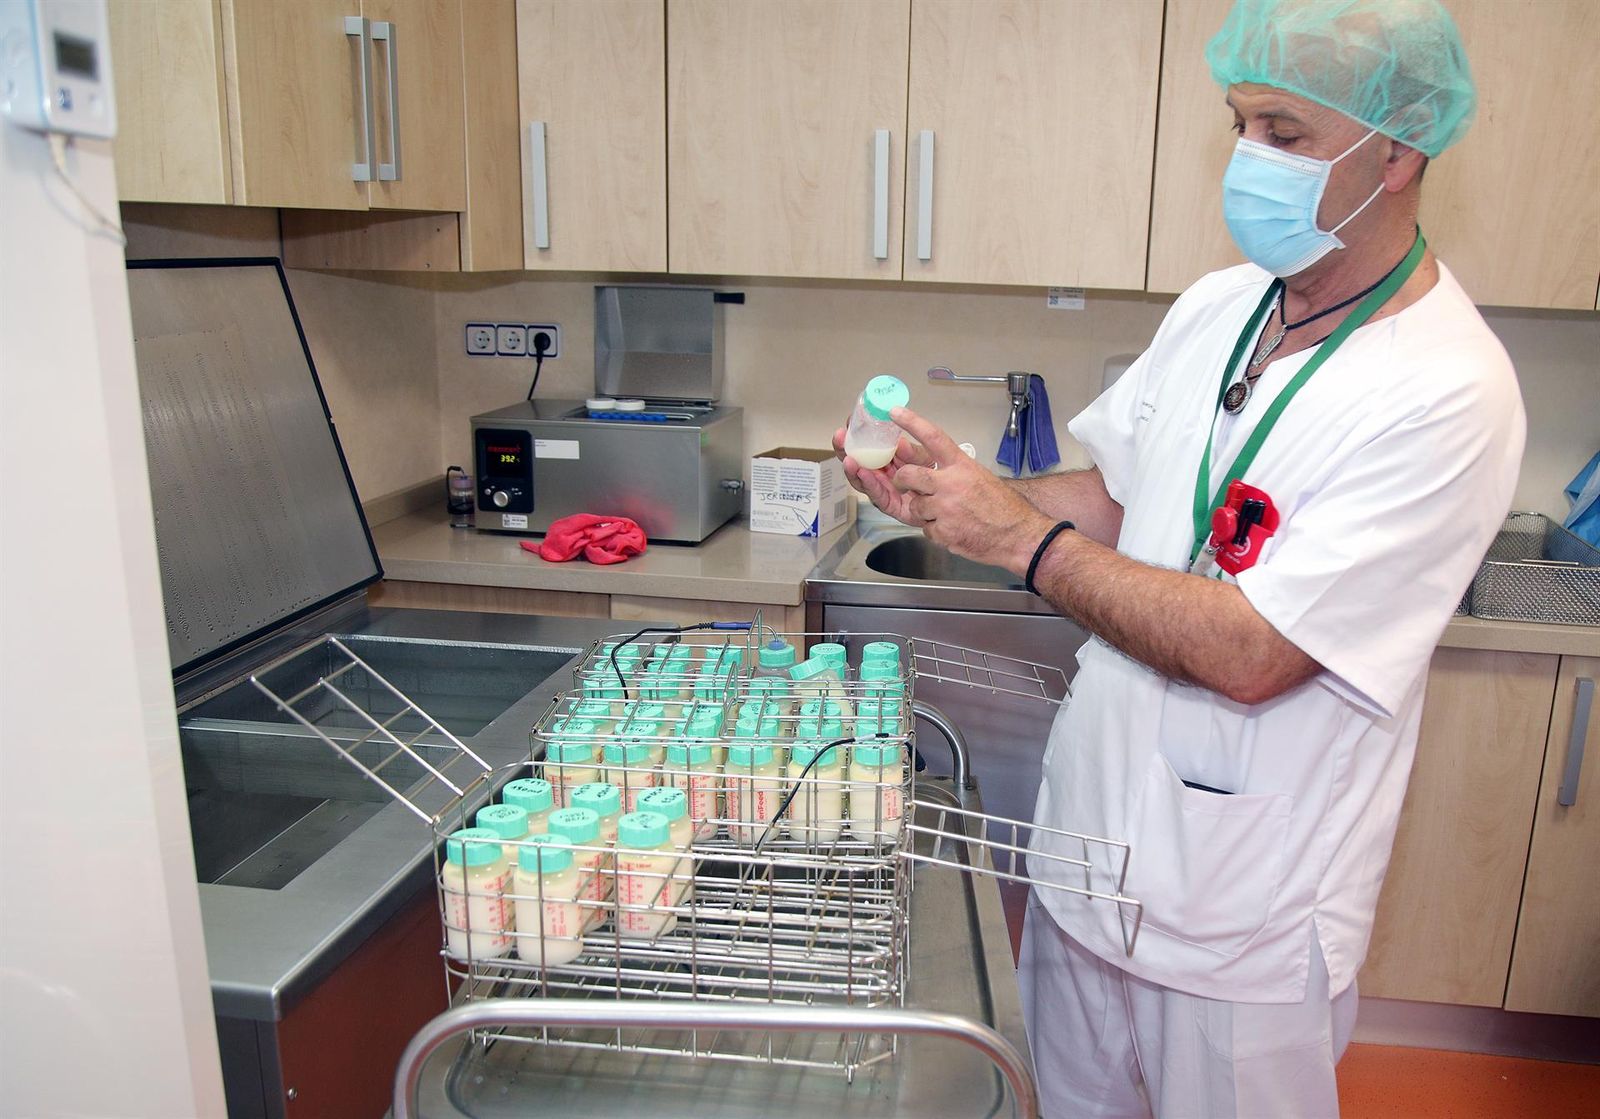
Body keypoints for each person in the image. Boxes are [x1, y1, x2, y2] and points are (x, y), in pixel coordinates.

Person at [833, 1, 1524, 1115]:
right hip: (1086, 863)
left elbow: (1255, 653)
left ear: (1396, 152)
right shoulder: (1221, 307)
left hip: (1239, 917)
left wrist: (1020, 539)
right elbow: (1119, 493)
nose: (1249, 158)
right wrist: (959, 495)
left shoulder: (1446, 390)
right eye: (1240, 124)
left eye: (1285, 133)